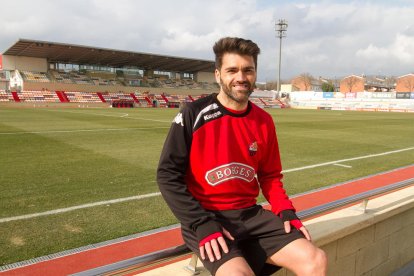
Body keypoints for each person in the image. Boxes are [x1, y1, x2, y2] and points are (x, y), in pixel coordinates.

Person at [157, 37, 327, 276]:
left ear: (255, 74)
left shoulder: (264, 121)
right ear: (218, 75)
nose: (241, 77)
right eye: (232, 70)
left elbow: (269, 176)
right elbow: (167, 175)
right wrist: (200, 222)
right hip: (207, 217)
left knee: (315, 260)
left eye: (248, 70)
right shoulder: (193, 114)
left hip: (251, 215)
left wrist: (285, 210)